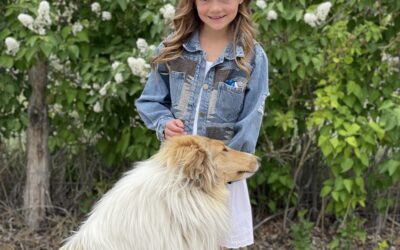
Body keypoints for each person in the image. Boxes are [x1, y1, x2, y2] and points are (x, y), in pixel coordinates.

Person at [135, 0, 269, 248]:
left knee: (218, 242)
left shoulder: (252, 57)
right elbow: (150, 101)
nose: (215, 8)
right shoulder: (172, 48)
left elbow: (251, 119)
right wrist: (164, 123)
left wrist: (221, 170)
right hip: (177, 176)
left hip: (220, 178)